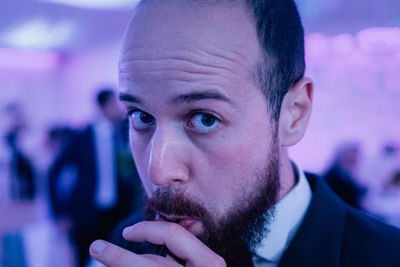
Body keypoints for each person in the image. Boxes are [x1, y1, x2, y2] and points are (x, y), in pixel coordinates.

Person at [89, 0, 400, 266]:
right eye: (141, 117)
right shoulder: (129, 245)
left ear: (294, 114)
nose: (159, 171)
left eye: (205, 119)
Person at [48, 89, 143, 266]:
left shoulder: (124, 132)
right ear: (104, 106)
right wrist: (59, 212)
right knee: (83, 260)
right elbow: (54, 172)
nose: (120, 108)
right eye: (115, 103)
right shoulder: (81, 137)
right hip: (86, 213)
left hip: (118, 212)